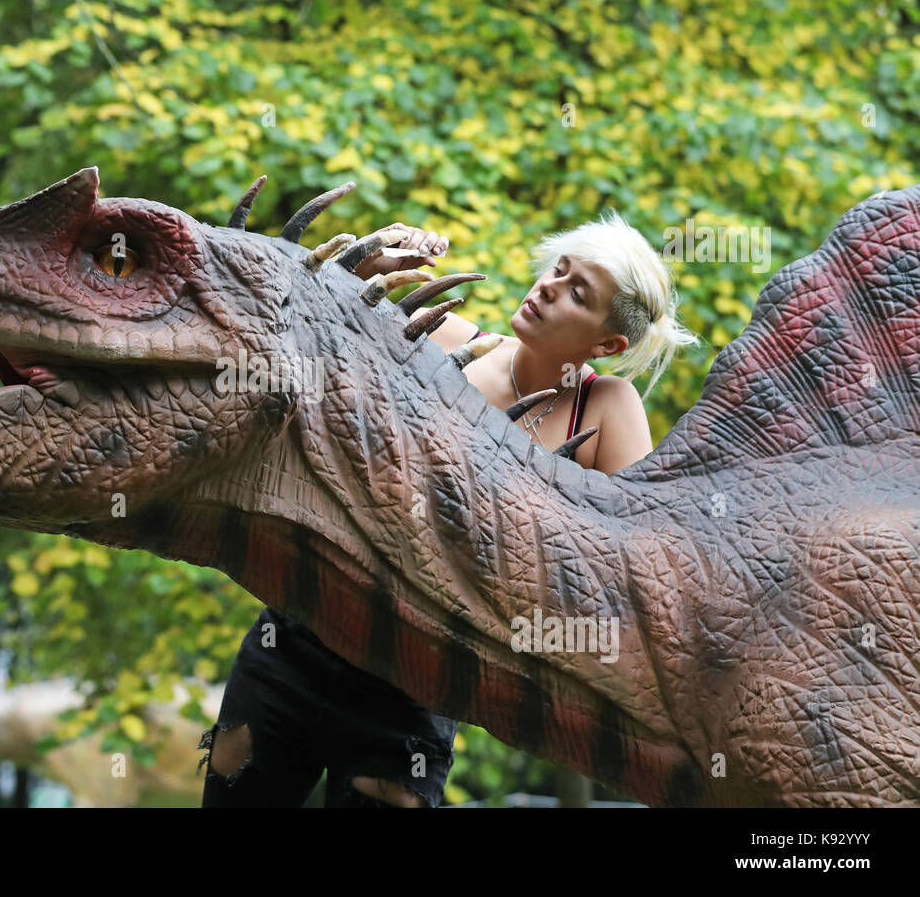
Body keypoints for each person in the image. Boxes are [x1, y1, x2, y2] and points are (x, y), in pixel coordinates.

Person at [199, 210, 699, 807]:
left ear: (607, 343)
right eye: (557, 270)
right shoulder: (439, 338)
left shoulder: (604, 408)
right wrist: (375, 261)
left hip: (418, 680)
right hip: (300, 637)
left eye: (577, 292)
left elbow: (632, 567)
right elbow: (307, 318)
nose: (548, 286)